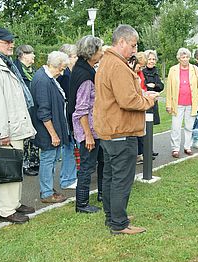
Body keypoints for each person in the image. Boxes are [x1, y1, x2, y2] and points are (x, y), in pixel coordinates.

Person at [93, 24, 159, 235]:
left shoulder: (107, 61)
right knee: (121, 179)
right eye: (132, 45)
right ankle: (119, 224)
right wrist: (148, 100)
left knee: (111, 177)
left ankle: (113, 216)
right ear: (121, 42)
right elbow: (127, 99)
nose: (134, 49)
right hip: (121, 132)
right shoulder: (118, 66)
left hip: (111, 131)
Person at [0, 27, 36, 224]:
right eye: (6, 42)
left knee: (16, 167)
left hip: (16, 125)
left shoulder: (7, 63)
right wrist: (2, 132)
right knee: (8, 168)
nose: (11, 44)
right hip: (9, 129)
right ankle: (6, 210)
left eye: (11, 41)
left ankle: (15, 203)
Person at [30, 51, 73, 203]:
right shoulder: (43, 80)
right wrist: (53, 135)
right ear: (53, 65)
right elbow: (43, 112)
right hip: (46, 130)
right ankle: (46, 192)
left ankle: (48, 187)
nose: (61, 73)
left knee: (53, 159)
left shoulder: (48, 77)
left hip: (52, 128)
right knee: (48, 159)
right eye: (61, 69)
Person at [70, 35, 104, 213]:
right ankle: (81, 204)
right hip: (88, 130)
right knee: (86, 167)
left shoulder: (86, 68)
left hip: (96, 128)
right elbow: (80, 109)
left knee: (102, 161)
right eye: (100, 50)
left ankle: (102, 194)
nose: (102, 53)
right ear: (92, 52)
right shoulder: (84, 75)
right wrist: (88, 135)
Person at [166, 48, 198, 158]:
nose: (185, 59)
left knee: (189, 126)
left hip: (191, 103)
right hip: (177, 103)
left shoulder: (195, 69)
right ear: (179, 58)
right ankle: (175, 148)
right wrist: (168, 104)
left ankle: (187, 147)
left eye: (187, 57)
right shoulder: (173, 70)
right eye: (183, 57)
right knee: (175, 127)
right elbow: (169, 89)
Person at [14, 44, 40, 176]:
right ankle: (24, 164)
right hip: (22, 110)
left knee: (35, 135)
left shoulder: (33, 70)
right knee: (25, 138)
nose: (34, 55)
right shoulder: (15, 70)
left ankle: (34, 161)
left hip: (34, 109)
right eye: (31, 53)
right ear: (23, 55)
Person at [56, 44, 78, 190]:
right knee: (68, 147)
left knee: (70, 147)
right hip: (66, 115)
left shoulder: (70, 73)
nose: (76, 59)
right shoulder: (64, 76)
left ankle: (70, 176)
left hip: (70, 114)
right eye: (74, 56)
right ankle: (67, 179)